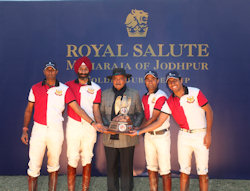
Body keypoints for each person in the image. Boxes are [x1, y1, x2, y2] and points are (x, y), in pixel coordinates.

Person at [21, 61, 102, 191]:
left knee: (54, 164)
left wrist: (93, 123)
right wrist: (25, 129)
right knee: (34, 165)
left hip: (56, 130)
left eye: (52, 70)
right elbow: (29, 110)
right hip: (38, 129)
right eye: (48, 70)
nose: (50, 72)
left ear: (57, 71)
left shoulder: (64, 89)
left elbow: (76, 108)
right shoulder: (35, 88)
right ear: (44, 72)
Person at [138, 71, 213, 191]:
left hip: (200, 134)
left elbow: (209, 111)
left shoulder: (195, 92)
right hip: (183, 135)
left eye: (174, 80)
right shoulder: (170, 101)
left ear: (181, 80)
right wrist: (139, 132)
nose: (172, 83)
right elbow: (158, 121)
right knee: (184, 171)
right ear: (167, 85)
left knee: (203, 172)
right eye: (169, 82)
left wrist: (208, 134)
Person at [100, 68, 144, 191]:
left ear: (125, 79)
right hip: (110, 136)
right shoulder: (105, 94)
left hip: (127, 137)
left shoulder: (134, 94)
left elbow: (140, 113)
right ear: (112, 80)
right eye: (115, 79)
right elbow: (101, 113)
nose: (118, 81)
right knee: (111, 168)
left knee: (126, 168)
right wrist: (108, 126)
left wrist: (133, 125)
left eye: (121, 79)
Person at [129, 70, 171, 191]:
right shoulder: (145, 97)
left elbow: (154, 118)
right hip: (149, 136)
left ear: (157, 81)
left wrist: (138, 131)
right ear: (145, 82)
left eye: (153, 79)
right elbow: (145, 117)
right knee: (151, 167)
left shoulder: (162, 95)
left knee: (164, 169)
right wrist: (135, 126)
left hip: (161, 136)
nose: (150, 82)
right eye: (147, 79)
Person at [65, 56, 103, 191]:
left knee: (87, 156)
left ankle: (84, 189)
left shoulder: (96, 88)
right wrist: (94, 122)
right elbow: (76, 108)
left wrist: (100, 124)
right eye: (80, 68)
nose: (83, 70)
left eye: (85, 68)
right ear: (77, 70)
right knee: (72, 156)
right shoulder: (67, 86)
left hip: (90, 127)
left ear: (89, 70)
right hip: (74, 125)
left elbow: (96, 109)